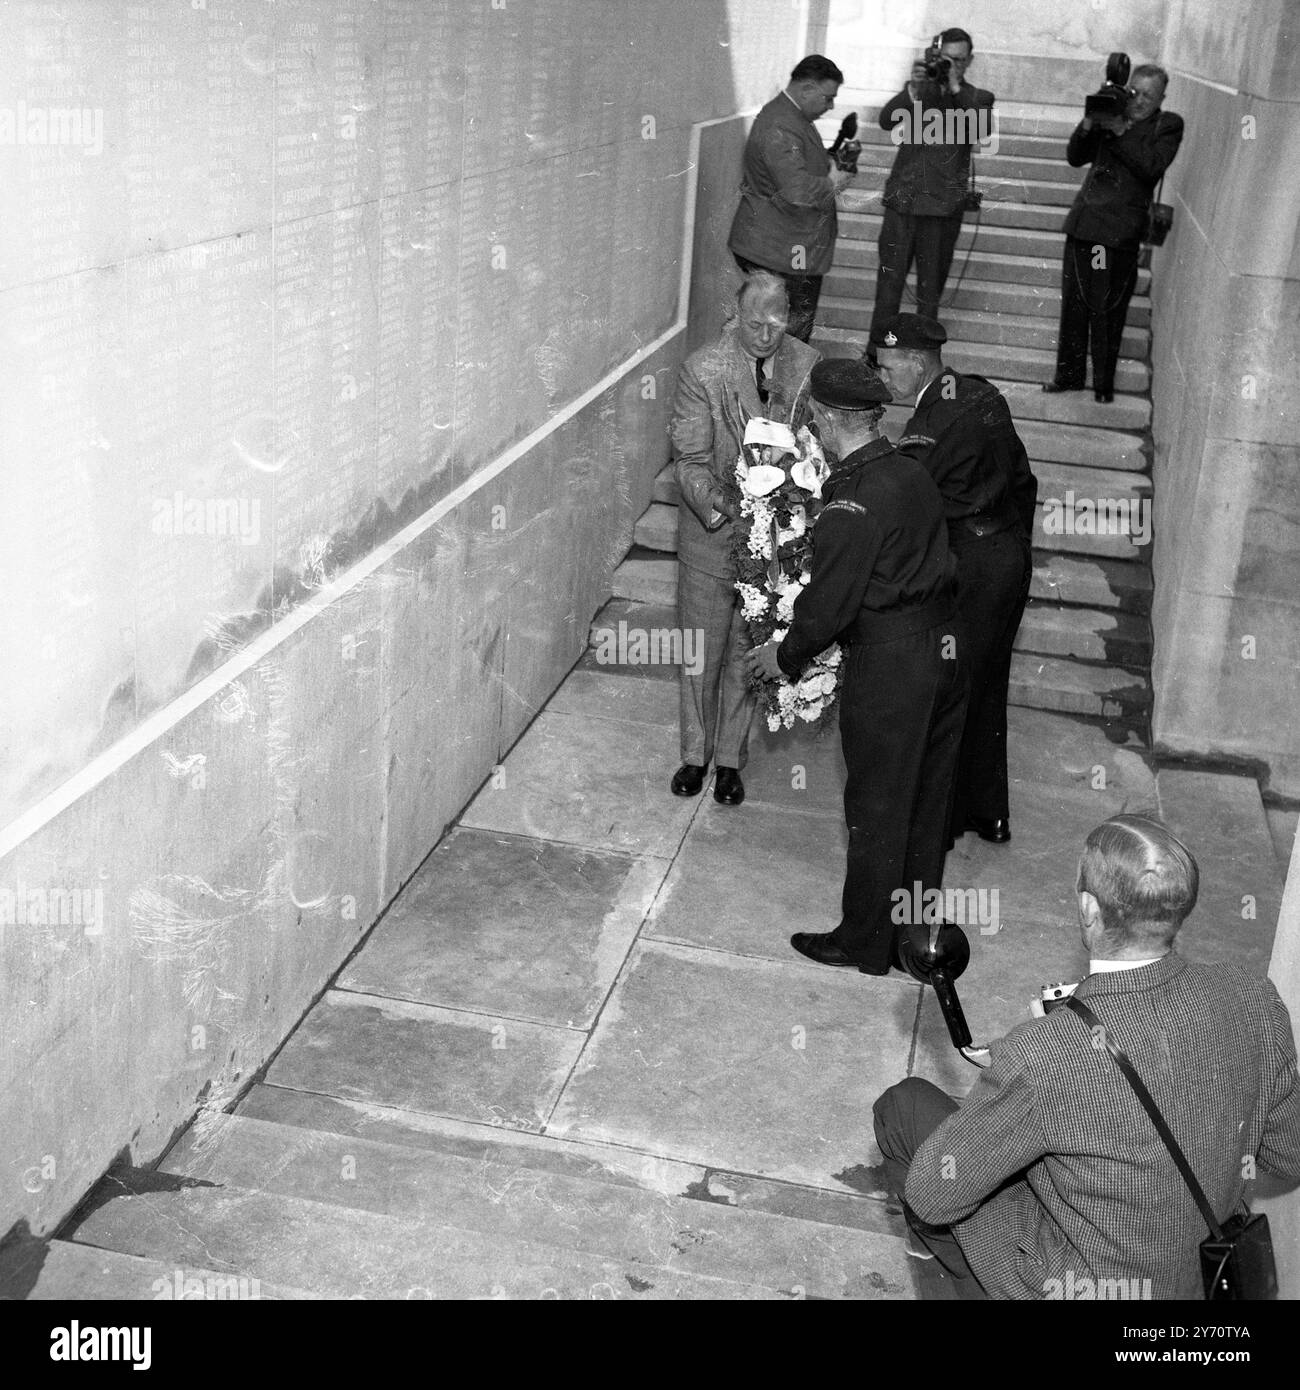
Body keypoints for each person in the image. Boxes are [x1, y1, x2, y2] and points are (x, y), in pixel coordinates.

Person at [873, 813, 1300, 1300]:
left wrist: (1039, 1053)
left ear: (1089, 908)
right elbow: (1288, 1154)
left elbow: (934, 1194)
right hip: (1196, 1277)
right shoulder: (1252, 997)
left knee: (902, 1108)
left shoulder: (1044, 1055)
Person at [745, 358, 966, 975]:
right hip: (945, 652)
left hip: (894, 665)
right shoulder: (912, 471)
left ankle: (864, 941)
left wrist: (782, 657)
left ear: (822, 420)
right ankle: (911, 938)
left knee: (876, 804)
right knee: (924, 803)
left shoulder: (855, 501)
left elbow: (830, 605)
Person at [871, 312, 1036, 846]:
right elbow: (1026, 481)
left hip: (973, 567)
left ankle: (939, 824)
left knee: (950, 692)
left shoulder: (927, 427)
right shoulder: (979, 394)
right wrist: (1013, 547)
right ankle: (988, 813)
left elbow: (915, 509)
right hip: (1007, 555)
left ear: (918, 363)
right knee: (987, 686)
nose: (883, 379)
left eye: (890, 367)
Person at [670, 272, 820, 807]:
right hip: (713, 538)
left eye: (775, 323)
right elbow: (688, 462)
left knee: (745, 652)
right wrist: (729, 507)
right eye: (754, 323)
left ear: (791, 319)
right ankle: (694, 754)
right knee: (699, 653)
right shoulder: (701, 369)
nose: (764, 334)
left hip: (774, 546)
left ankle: (730, 760)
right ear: (736, 314)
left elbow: (817, 444)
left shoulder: (808, 364)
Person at [1043, 64, 1183, 403]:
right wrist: (1091, 121)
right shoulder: (1112, 112)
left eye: (1149, 96)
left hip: (1118, 234)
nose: (1139, 101)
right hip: (1084, 225)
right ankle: (1069, 376)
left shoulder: (1166, 125)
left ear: (1162, 98)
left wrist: (1121, 130)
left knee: (1107, 312)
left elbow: (1151, 167)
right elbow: (1075, 157)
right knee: (1074, 307)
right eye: (1135, 92)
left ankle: (1103, 386)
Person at [868, 28, 994, 343]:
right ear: (934, 56)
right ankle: (875, 355)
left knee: (930, 293)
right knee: (888, 288)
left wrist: (952, 85)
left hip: (942, 209)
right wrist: (913, 89)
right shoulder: (919, 90)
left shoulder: (977, 98)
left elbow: (980, 130)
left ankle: (922, 358)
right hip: (903, 204)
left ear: (970, 61)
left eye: (959, 61)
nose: (952, 65)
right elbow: (886, 121)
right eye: (946, 59)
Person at [728, 55, 854, 344]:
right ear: (807, 88)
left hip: (786, 248)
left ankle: (777, 386)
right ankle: (777, 389)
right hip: (780, 251)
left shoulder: (793, 117)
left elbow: (795, 171)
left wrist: (830, 167)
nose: (831, 106)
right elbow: (796, 191)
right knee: (785, 340)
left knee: (780, 336)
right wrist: (832, 182)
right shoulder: (781, 124)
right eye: (828, 98)